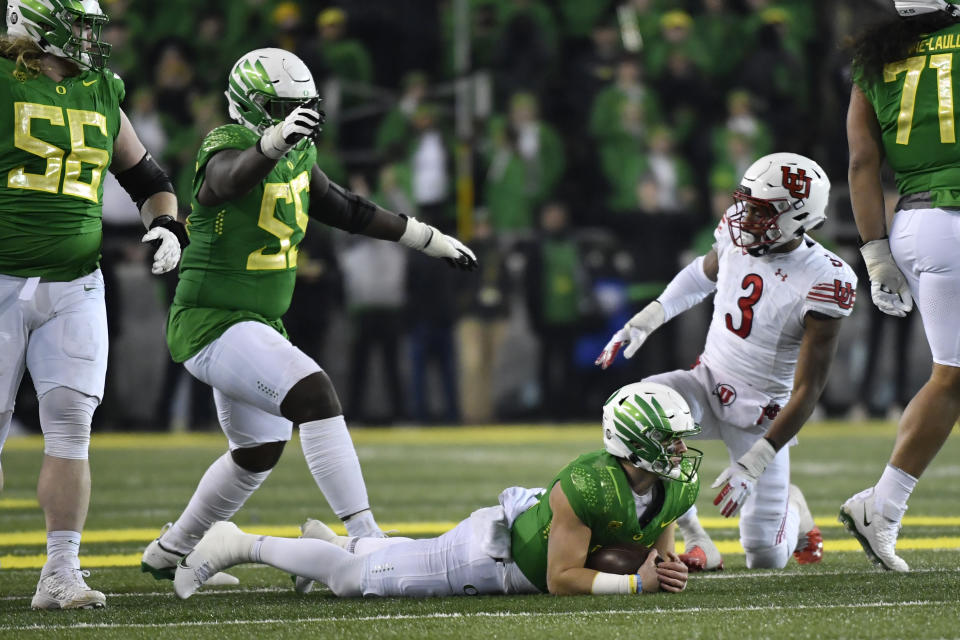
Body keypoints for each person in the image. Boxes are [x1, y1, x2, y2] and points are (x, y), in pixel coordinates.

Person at [140, 48, 477, 587]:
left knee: (257, 452)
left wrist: (425, 237)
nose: (294, 119)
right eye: (282, 108)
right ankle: (366, 533)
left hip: (257, 323)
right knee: (316, 394)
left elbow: (345, 208)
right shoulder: (224, 143)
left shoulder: (298, 154)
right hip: (212, 318)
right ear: (252, 106)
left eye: (301, 108)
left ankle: (169, 550)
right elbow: (224, 183)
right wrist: (272, 142)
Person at [0, 1, 189, 609]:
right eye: (78, 25)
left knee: (71, 425)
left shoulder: (101, 89)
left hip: (76, 282)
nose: (89, 37)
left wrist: (167, 226)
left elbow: (150, 180)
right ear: (36, 22)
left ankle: (60, 571)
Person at [173, 381, 695, 600]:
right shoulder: (587, 482)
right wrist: (634, 585)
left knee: (373, 556)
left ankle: (330, 542)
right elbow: (561, 579)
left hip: (516, 555)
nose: (677, 453)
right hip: (491, 558)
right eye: (667, 441)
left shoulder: (671, 487)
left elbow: (653, 541)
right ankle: (238, 542)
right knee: (351, 582)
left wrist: (664, 567)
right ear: (631, 440)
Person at [597, 153, 857, 571]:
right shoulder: (739, 232)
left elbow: (809, 389)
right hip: (706, 380)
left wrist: (754, 463)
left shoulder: (826, 278)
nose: (747, 217)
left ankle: (795, 509)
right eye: (748, 203)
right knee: (637, 414)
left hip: (762, 415)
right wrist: (646, 320)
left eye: (762, 210)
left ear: (799, 216)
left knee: (765, 556)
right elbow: (702, 274)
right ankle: (698, 539)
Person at [840, 0, 960, 572]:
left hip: (914, 223)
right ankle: (883, 505)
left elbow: (863, 162)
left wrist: (875, 251)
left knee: (952, 375)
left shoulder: (875, 59)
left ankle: (882, 507)